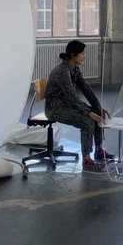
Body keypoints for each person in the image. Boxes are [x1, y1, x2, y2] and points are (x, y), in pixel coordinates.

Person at [45, 40, 114, 172]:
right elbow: (72, 98)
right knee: (87, 121)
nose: (84, 56)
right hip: (55, 109)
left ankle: (99, 150)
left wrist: (97, 108)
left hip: (67, 106)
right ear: (73, 55)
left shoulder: (74, 68)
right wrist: (89, 113)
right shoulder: (62, 72)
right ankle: (87, 159)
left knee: (96, 114)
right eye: (82, 53)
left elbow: (85, 88)